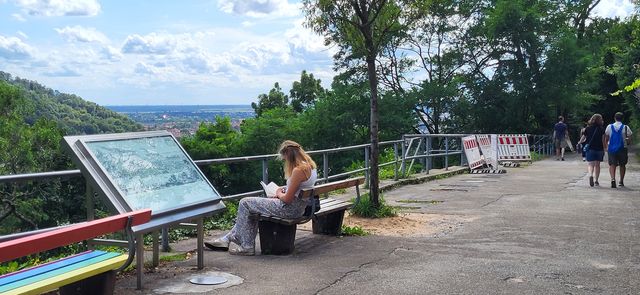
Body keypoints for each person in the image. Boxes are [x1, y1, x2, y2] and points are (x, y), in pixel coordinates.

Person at [204, 140, 318, 255]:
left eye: (284, 157)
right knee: (252, 207)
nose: (284, 159)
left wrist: (278, 192)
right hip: (298, 208)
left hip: (288, 209)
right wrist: (285, 190)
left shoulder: (298, 170)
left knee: (245, 202)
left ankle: (246, 246)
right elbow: (297, 189)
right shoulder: (311, 167)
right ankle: (226, 240)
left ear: (288, 153)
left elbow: (287, 199)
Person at [604, 112, 633, 188]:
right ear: (622, 119)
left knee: (612, 165)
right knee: (622, 165)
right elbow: (630, 140)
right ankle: (621, 181)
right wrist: (627, 140)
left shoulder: (609, 127)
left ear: (614, 118)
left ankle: (613, 179)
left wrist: (606, 147)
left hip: (612, 149)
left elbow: (606, 138)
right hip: (622, 148)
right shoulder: (626, 127)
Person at [580, 114, 605, 187]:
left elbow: (583, 138)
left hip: (590, 148)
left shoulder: (588, 128)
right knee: (597, 165)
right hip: (599, 149)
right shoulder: (602, 129)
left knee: (591, 164)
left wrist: (579, 142)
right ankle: (596, 181)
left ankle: (591, 175)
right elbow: (603, 140)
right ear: (600, 120)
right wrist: (605, 148)